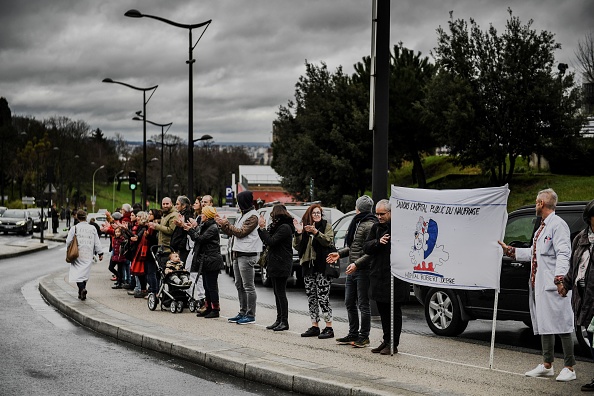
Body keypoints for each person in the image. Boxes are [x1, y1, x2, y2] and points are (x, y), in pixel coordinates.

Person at [498, 188, 575, 382]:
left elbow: (564, 253)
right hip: (539, 284)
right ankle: (547, 364)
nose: (535, 205)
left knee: (562, 323)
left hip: (553, 284)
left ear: (541, 204)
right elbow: (535, 252)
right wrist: (512, 251)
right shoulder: (543, 227)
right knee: (544, 323)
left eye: (536, 202)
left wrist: (560, 279)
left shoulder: (558, 225)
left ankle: (569, 366)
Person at [327, 195, 377, 348]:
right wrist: (340, 254)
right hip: (352, 268)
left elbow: (370, 252)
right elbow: (355, 247)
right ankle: (353, 333)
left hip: (362, 270)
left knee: (363, 304)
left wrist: (356, 264)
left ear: (358, 208)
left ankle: (364, 336)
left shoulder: (369, 225)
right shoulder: (358, 222)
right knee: (349, 302)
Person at [362, 199, 409, 355]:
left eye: (382, 214)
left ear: (390, 213)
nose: (379, 216)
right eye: (377, 213)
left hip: (394, 276)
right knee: (383, 310)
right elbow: (366, 247)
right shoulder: (375, 228)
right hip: (378, 275)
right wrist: (377, 242)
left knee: (393, 311)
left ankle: (393, 343)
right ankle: (386, 340)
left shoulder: (398, 229)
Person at [561, 199, 594, 391]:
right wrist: (565, 284)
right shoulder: (580, 239)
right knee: (589, 335)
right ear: (589, 218)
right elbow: (574, 267)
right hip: (583, 296)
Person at [216, 190, 262, 325]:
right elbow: (232, 232)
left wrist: (226, 224)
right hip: (238, 253)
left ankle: (250, 314)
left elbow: (241, 233)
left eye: (239, 201)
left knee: (248, 286)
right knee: (239, 285)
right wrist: (222, 225)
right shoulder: (243, 215)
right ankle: (242, 311)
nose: (237, 204)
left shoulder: (253, 216)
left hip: (248, 254)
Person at [295, 203, 335, 339]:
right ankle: (315, 326)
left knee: (323, 297)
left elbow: (328, 241)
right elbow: (297, 246)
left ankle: (329, 327)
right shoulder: (304, 228)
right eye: (314, 213)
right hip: (308, 267)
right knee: (312, 298)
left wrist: (316, 232)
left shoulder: (326, 226)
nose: (317, 215)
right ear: (310, 215)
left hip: (322, 267)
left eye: (319, 213)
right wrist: (299, 233)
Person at [257, 204, 295, 331]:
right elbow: (268, 240)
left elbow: (271, 241)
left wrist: (262, 228)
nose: (272, 218)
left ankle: (284, 321)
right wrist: (263, 229)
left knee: (281, 293)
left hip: (281, 263)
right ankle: (279, 319)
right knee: (276, 293)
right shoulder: (278, 226)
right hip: (275, 263)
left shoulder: (285, 227)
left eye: (273, 215)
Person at [188, 206, 224, 318]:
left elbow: (199, 238)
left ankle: (215, 309)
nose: (201, 216)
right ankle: (208, 308)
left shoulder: (212, 228)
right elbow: (198, 236)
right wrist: (192, 229)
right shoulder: (205, 225)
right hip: (206, 259)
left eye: (203, 214)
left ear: (207, 216)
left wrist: (190, 230)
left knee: (211, 286)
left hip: (212, 260)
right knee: (206, 285)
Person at [66, 210, 104, 300]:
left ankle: (82, 289)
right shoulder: (92, 228)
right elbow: (97, 242)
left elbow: (68, 241)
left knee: (77, 273)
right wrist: (100, 253)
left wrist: (68, 249)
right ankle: (82, 290)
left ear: (77, 217)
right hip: (88, 253)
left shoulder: (74, 228)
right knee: (85, 273)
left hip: (77, 253)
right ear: (86, 217)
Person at [171, 195, 193, 263]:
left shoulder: (187, 216)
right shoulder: (181, 215)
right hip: (180, 247)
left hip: (183, 248)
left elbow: (185, 233)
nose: (175, 206)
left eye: (177, 204)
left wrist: (179, 246)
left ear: (183, 206)